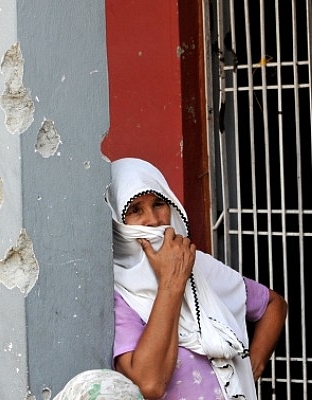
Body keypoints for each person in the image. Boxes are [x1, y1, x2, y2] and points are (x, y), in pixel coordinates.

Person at [105, 158, 288, 400]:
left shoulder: (198, 266)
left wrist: (252, 368)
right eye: (135, 210)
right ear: (117, 220)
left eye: (159, 204)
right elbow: (150, 384)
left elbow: (273, 304)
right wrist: (172, 283)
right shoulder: (118, 293)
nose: (153, 220)